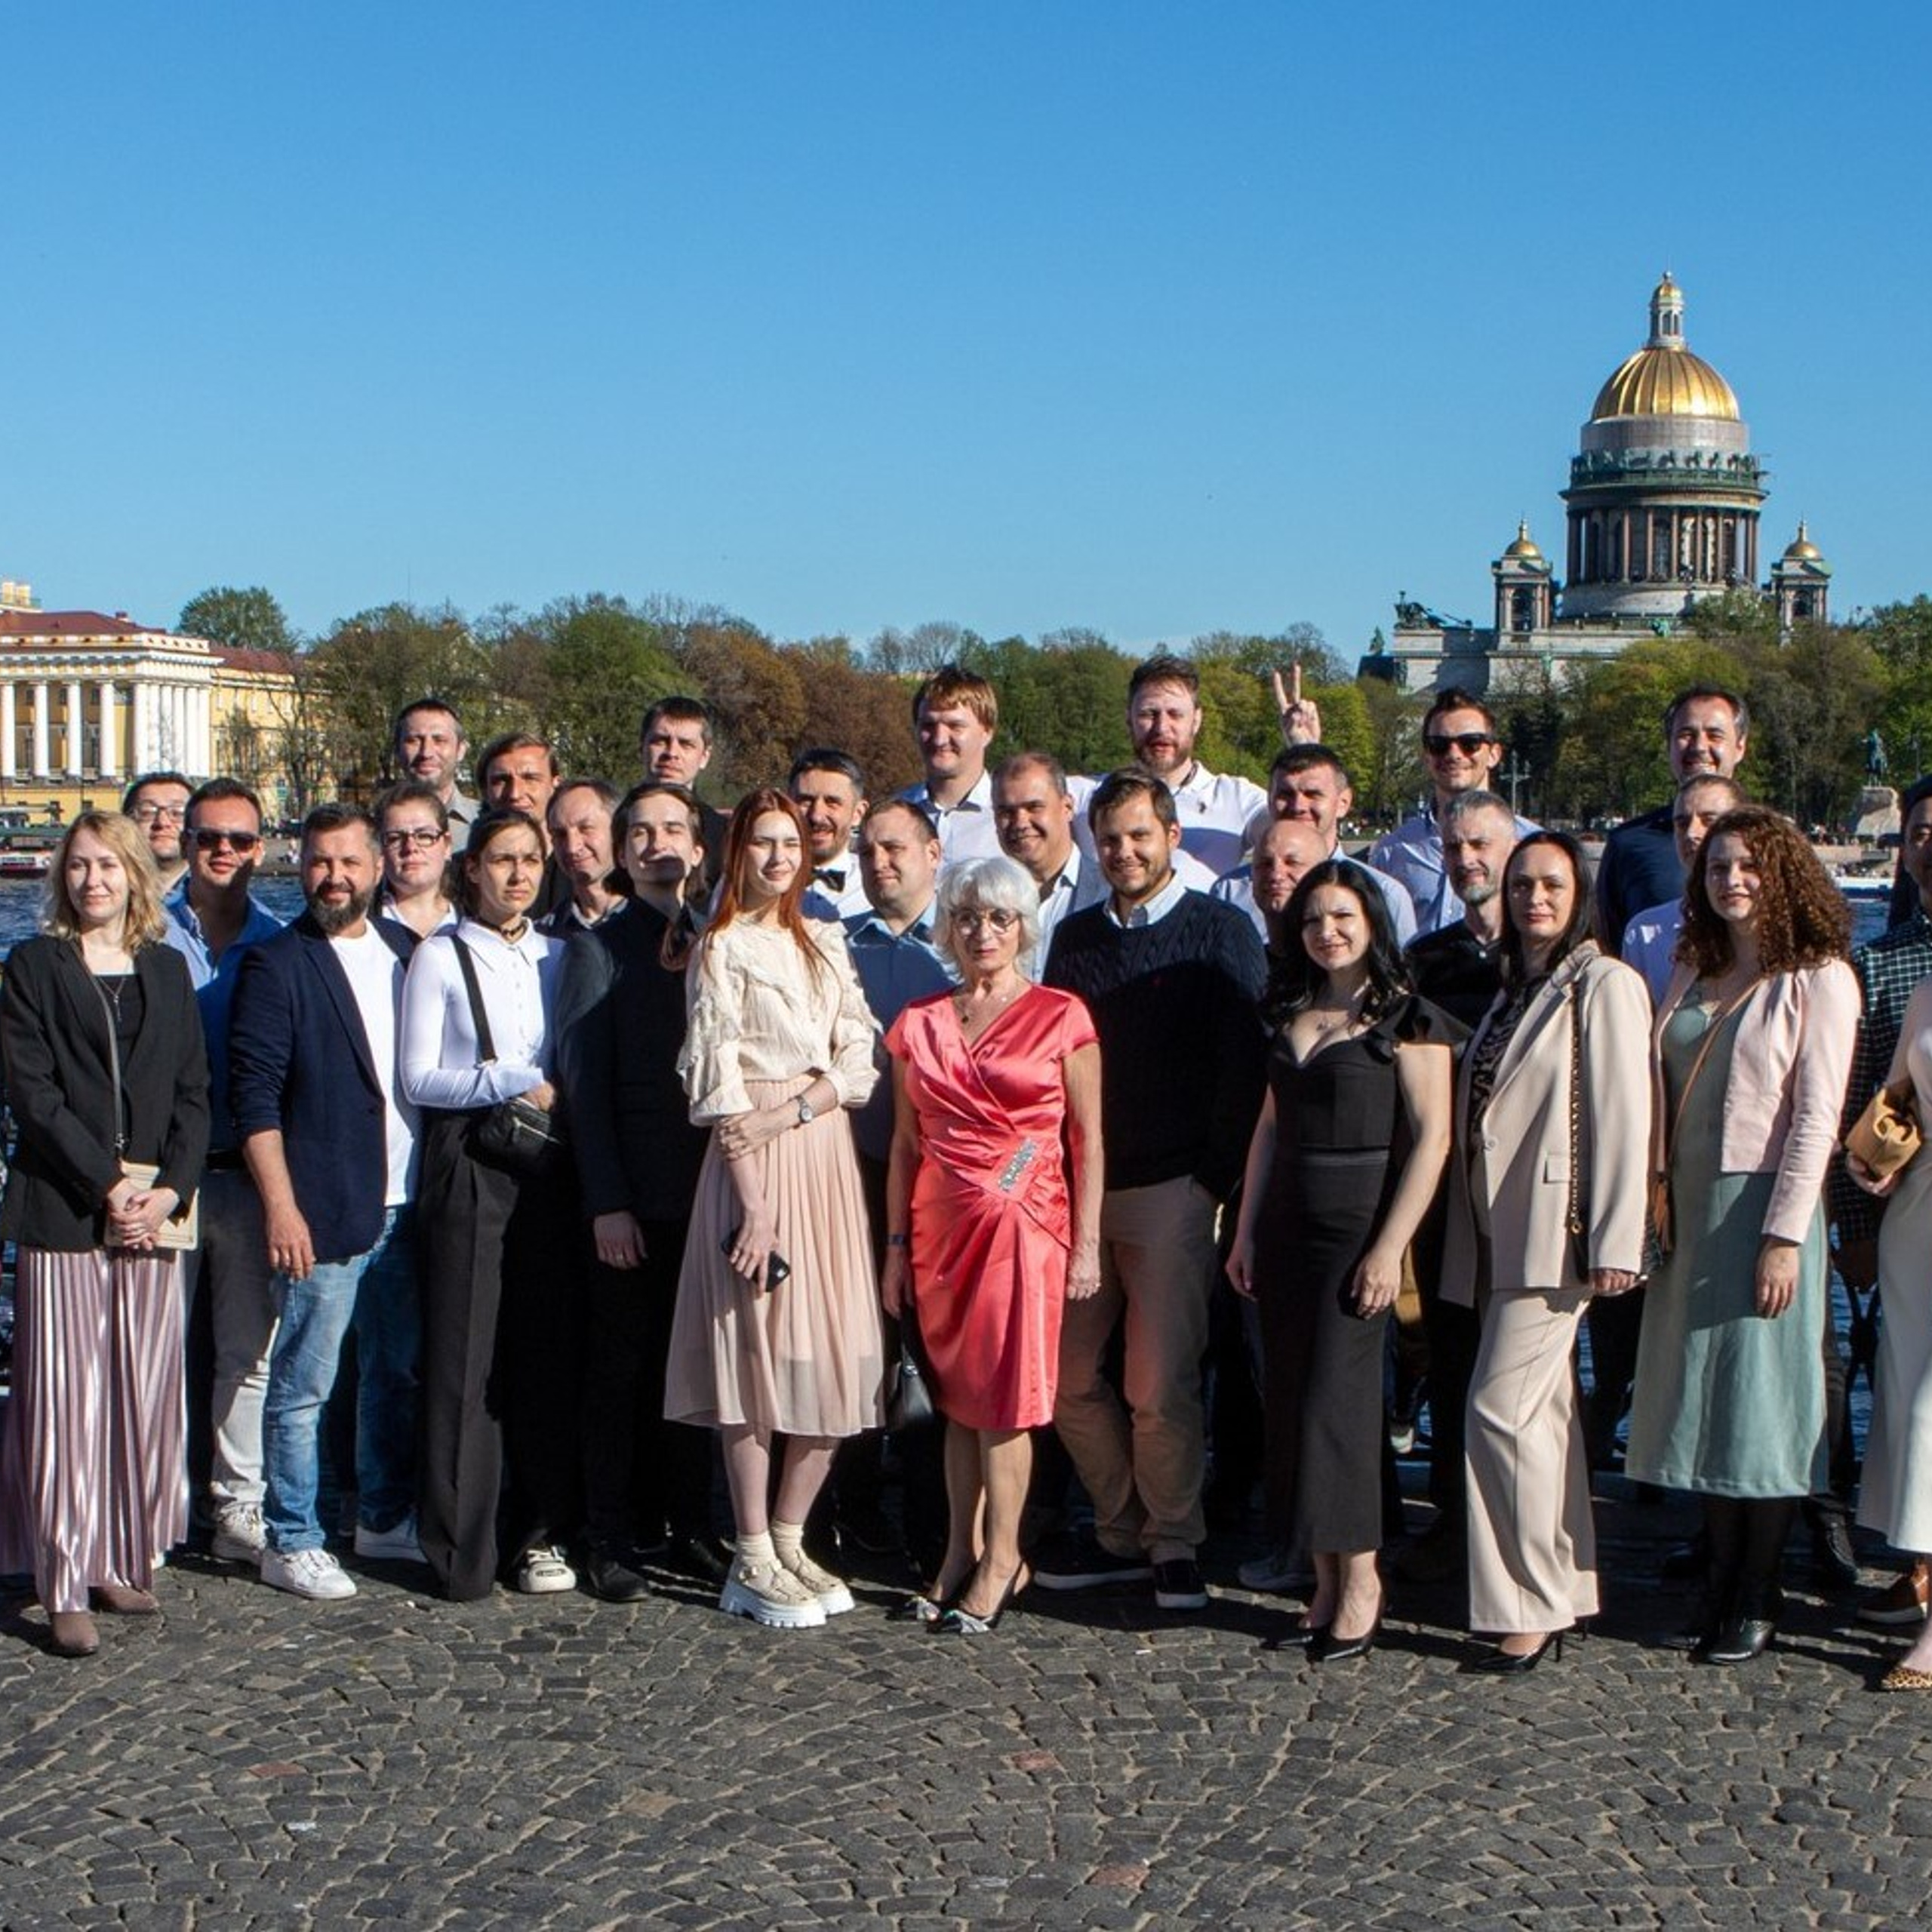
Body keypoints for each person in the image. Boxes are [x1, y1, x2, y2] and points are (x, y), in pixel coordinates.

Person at [1626, 805, 1857, 1664]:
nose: (1732, 880)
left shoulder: (1820, 977)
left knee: (1760, 1403)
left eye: (1750, 866)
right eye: (1718, 867)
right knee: (1706, 1400)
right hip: (1688, 1204)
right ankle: (1718, 1575)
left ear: (1786, 874)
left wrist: (1783, 1237)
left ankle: (1757, 1589)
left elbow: (1815, 1118)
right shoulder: (1694, 964)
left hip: (1761, 1207)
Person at [1037, 769, 1268, 1611]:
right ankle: (1120, 1523)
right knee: (1064, 1376)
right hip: (1083, 1193)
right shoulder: (1074, 940)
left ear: (1172, 836)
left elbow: (1245, 1063)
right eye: (1109, 839)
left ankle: (1174, 1539)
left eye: (1139, 834)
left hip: (1174, 1187)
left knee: (1158, 1383)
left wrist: (1209, 1180)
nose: (1124, 851)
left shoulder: (1218, 929)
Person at [663, 789, 884, 1629]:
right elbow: (718, 1084)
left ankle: (791, 1536)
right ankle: (750, 1548)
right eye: (762, 842)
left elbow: (859, 1062)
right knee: (754, 1358)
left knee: (834, 1352)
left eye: (790, 842)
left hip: (816, 1151)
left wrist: (798, 1107)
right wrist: (753, 1209)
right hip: (749, 1164)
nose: (779, 856)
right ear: (737, 853)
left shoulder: (825, 940)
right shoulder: (718, 947)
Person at [1226, 861, 1455, 1662]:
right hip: (1285, 1223)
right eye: (1314, 919)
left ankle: (1361, 1582)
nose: (1328, 931)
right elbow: (1265, 1128)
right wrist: (1245, 1231)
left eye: (1343, 917)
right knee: (1291, 1404)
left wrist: (1390, 1248)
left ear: (1371, 923)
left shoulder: (1409, 1018)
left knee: (1341, 1409)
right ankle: (1321, 1580)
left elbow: (1432, 1140)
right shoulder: (1288, 1008)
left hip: (1359, 1228)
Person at [1440, 832, 1651, 1669]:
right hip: (1497, 1230)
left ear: (1580, 895)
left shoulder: (1604, 982)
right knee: (1545, 1419)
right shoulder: (1513, 989)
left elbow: (1624, 1116)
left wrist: (1614, 1236)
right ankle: (1562, 1584)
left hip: (1556, 1236)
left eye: (1552, 884)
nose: (1534, 897)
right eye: (1521, 882)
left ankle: (1527, 1602)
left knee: (1498, 1410)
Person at [0, 812, 209, 1657]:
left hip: (151, 1218)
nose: (93, 880)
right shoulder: (32, 966)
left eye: (107, 865)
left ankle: (122, 1555)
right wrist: (109, 1181)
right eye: (78, 866)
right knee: (62, 1402)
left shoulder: (166, 971)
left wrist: (168, 1191)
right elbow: (32, 1093)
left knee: (139, 1395)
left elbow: (195, 1093)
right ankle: (61, 1577)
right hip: (65, 1211)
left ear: (134, 875)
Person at [882, 856, 1103, 1634]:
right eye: (969, 917)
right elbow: (906, 1146)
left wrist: (1087, 1244)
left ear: (1023, 928)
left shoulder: (1061, 1015)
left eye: (999, 918)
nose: (983, 932)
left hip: (1023, 1229)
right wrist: (895, 1247)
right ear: (949, 926)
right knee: (956, 1405)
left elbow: (1087, 1137)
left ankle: (1004, 1558)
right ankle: (957, 1553)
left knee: (1005, 1402)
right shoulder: (920, 1021)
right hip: (941, 1232)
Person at [229, 806, 422, 1601]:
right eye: (317, 862)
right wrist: (281, 1207)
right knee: (304, 1383)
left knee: (393, 1373)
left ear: (377, 866)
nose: (332, 877)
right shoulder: (278, 965)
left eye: (347, 861)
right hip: (325, 1206)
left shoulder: (410, 953)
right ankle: (292, 1534)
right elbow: (255, 1100)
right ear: (300, 866)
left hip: (408, 1202)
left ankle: (379, 1513)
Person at [399, 808, 576, 1601]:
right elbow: (417, 1078)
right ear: (470, 869)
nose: (517, 874)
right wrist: (505, 1077)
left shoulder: (559, 955)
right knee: (463, 1358)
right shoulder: (441, 957)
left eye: (530, 859)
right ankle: (459, 1547)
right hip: (470, 1158)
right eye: (501, 859)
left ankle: (531, 1534)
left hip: (545, 1164)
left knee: (538, 1355)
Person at [552, 782, 721, 1601]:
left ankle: (690, 1526)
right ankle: (607, 1533)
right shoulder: (600, 945)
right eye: (642, 831)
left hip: (709, 1191)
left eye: (675, 829)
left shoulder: (719, 939)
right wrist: (606, 1200)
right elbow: (583, 1085)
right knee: (618, 1374)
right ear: (621, 853)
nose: (659, 843)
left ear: (697, 846)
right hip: (633, 1197)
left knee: (693, 1371)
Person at [1390, 788, 1519, 1588]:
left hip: (1524, 1188)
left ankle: (1514, 1518)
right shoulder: (1425, 961)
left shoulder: (1557, 954)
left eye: (1482, 845)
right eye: (1453, 848)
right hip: (1445, 1186)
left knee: (1520, 1363)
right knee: (1447, 1347)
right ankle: (1448, 1510)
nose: (1467, 860)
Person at [163, 778, 285, 1566]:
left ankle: (236, 1501)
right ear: (185, 839)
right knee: (156, 1342)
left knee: (248, 1348)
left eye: (240, 840)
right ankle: (155, 1497)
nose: (225, 853)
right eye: (210, 836)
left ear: (261, 847)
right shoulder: (145, 928)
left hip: (242, 1168)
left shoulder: (279, 939)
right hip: (161, 1172)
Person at [835, 798, 955, 1564]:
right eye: (868, 851)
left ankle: (933, 1519)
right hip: (856, 1167)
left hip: (944, 1175)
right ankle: (851, 1509)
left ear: (933, 854)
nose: (881, 863)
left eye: (896, 849)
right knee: (856, 1346)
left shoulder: (965, 944)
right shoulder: (835, 946)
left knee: (934, 1350)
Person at [1835, 773, 1932, 1628]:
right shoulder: (1881, 960)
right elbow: (1872, 1099)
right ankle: (1916, 1561)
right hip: (1911, 1220)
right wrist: (1856, 1218)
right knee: (1906, 1394)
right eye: (1923, 832)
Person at [1849, 971, 1932, 1689]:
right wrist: (1871, 1156)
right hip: (1919, 1219)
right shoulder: (1928, 989)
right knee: (1907, 1400)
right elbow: (1898, 1088)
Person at [1367, 690, 1537, 936]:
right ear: (1427, 757)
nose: (1454, 754)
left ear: (1494, 754)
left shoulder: (1533, 844)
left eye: (1471, 743)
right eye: (1439, 745)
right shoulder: (1392, 852)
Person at [1595, 687, 1751, 954]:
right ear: (1669, 745)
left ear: (1740, 746)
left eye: (1714, 735)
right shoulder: (1629, 843)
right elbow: (1609, 944)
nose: (1699, 747)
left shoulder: (1774, 839)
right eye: (1686, 735)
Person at [1211, 746, 1415, 945]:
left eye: (1313, 794)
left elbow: (1399, 975)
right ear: (1270, 801)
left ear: (1343, 802)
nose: (1298, 806)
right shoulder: (1231, 893)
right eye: (1286, 794)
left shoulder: (1385, 895)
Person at [1620, 775, 1747, 1005]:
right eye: (1682, 823)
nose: (1691, 833)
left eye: (1709, 821)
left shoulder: (1778, 931)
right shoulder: (1644, 933)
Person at [990, 752, 1107, 964]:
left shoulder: (1109, 893)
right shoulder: (983, 902)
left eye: (1034, 807)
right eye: (1006, 812)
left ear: (1067, 808)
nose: (1020, 823)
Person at [901, 665, 1002, 866]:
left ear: (987, 732)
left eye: (955, 726)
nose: (939, 739)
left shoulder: (1009, 818)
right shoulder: (898, 812)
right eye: (928, 726)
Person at [639, 697, 728, 882]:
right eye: (661, 741)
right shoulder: (611, 824)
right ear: (642, 747)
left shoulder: (724, 836)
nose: (672, 753)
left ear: (704, 757)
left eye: (686, 744)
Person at [791, 749, 872, 922]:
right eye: (806, 801)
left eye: (832, 802)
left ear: (857, 813)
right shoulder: (754, 878)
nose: (816, 815)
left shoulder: (875, 887)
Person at [374, 780, 457, 938]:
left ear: (447, 846)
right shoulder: (362, 923)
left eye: (425, 836)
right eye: (395, 838)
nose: (411, 847)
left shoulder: (474, 919)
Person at [392, 699, 478, 852]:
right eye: (414, 740)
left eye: (440, 740)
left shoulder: (487, 821)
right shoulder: (373, 829)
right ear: (397, 752)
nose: (426, 753)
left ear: (461, 750)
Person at [543, 777, 628, 933]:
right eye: (560, 834)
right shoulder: (545, 935)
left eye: (586, 829)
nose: (572, 847)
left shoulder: (659, 927)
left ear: (617, 831)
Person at [122, 771, 193, 892]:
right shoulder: (109, 893)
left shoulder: (219, 895)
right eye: (147, 812)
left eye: (177, 813)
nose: (162, 822)